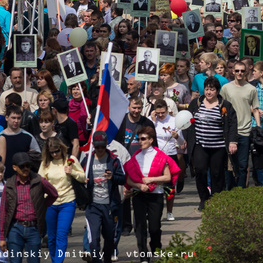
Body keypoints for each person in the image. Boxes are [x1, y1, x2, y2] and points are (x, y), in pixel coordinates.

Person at [123, 126, 180, 261]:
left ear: (151, 140)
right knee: (140, 227)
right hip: (139, 195)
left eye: (143, 139)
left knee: (154, 227)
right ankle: (143, 254)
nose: (140, 142)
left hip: (156, 195)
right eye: (139, 139)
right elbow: (129, 178)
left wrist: (151, 179)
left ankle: (155, 247)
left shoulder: (160, 156)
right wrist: (138, 185)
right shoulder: (135, 157)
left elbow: (167, 177)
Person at [187, 77, 238, 210]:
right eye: (207, 89)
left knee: (217, 173)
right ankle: (204, 198)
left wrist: (232, 141)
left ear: (217, 91)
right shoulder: (196, 103)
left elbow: (232, 124)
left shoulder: (225, 105)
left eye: (212, 89)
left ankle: (216, 199)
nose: (209, 92)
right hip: (200, 145)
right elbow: (187, 121)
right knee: (200, 171)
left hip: (218, 146)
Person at [0, 152, 58, 263]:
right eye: (22, 166)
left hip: (34, 229)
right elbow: (3, 211)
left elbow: (54, 194)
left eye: (28, 165)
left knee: (34, 261)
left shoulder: (39, 180)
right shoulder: (9, 185)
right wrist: (2, 237)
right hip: (15, 228)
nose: (26, 168)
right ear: (14, 167)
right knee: (15, 261)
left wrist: (43, 205)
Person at [38, 136, 85, 263]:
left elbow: (83, 177)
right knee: (51, 237)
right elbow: (40, 181)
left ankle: (59, 260)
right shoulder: (45, 163)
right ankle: (55, 260)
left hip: (68, 202)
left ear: (62, 148)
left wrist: (72, 172)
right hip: (50, 203)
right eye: (51, 152)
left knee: (62, 235)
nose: (54, 154)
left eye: (57, 151)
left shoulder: (71, 160)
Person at [81, 131, 126, 263]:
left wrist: (113, 177)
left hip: (110, 206)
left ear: (106, 145)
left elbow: (123, 179)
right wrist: (83, 180)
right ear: (93, 146)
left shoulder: (114, 160)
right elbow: (78, 177)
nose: (100, 150)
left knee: (109, 238)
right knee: (94, 239)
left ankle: (107, 259)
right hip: (93, 206)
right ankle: (96, 260)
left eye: (102, 147)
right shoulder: (87, 160)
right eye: (97, 147)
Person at [220, 61, 261, 189]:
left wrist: (258, 128)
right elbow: (220, 107)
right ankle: (229, 190)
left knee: (243, 165)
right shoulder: (226, 88)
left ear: (246, 72)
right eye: (237, 70)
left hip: (245, 130)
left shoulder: (251, 89)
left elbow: (255, 109)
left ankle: (241, 191)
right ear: (233, 71)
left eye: (242, 71)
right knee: (229, 164)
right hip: (229, 131)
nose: (239, 73)